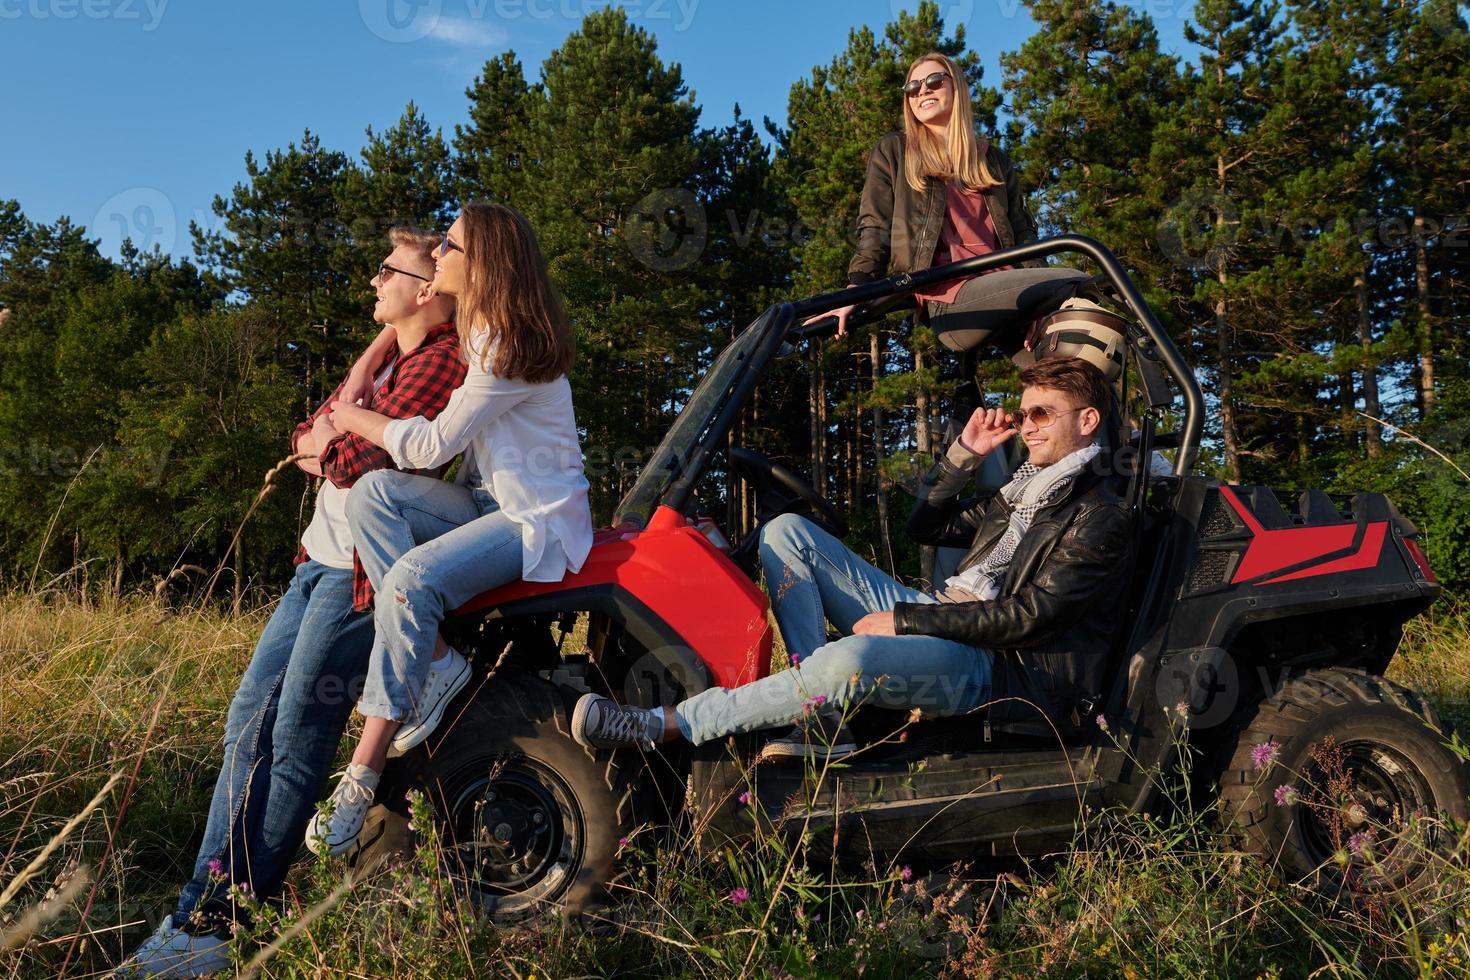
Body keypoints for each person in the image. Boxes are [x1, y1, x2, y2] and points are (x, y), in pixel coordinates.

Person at [121, 229, 466, 977]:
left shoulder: (441, 363)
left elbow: (350, 457)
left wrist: (332, 434)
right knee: (247, 721)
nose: (374, 279)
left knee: (296, 731)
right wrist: (358, 380)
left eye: (389, 270)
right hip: (315, 565)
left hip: (357, 579)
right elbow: (305, 436)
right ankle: (206, 907)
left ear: (427, 290)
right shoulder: (388, 363)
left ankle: (217, 925)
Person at [570, 358, 1133, 761]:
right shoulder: (1023, 491)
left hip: (999, 666)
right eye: (1025, 413)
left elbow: (1031, 618)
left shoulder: (1098, 511)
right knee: (788, 529)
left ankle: (665, 724)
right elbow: (925, 525)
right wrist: (964, 456)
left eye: (1043, 415)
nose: (1027, 426)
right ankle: (822, 717)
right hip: (945, 613)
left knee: (851, 659)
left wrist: (907, 620)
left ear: (1087, 422)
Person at [305, 203, 593, 855]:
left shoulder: (506, 343)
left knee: (408, 578)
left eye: (450, 249)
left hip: (531, 518)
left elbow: (429, 446)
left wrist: (349, 419)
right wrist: (376, 351)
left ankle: (361, 775)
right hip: (485, 503)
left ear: (483, 263)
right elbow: (402, 329)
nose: (437, 258)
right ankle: (433, 663)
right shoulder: (479, 326)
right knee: (372, 496)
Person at [812, 50, 1085, 353]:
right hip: (950, 295)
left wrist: (1043, 303)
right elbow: (876, 227)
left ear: (956, 87)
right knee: (1075, 279)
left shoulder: (993, 160)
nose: (923, 90)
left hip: (1011, 286)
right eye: (913, 87)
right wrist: (855, 290)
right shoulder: (896, 151)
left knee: (1077, 363)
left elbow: (1022, 233)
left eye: (933, 80)